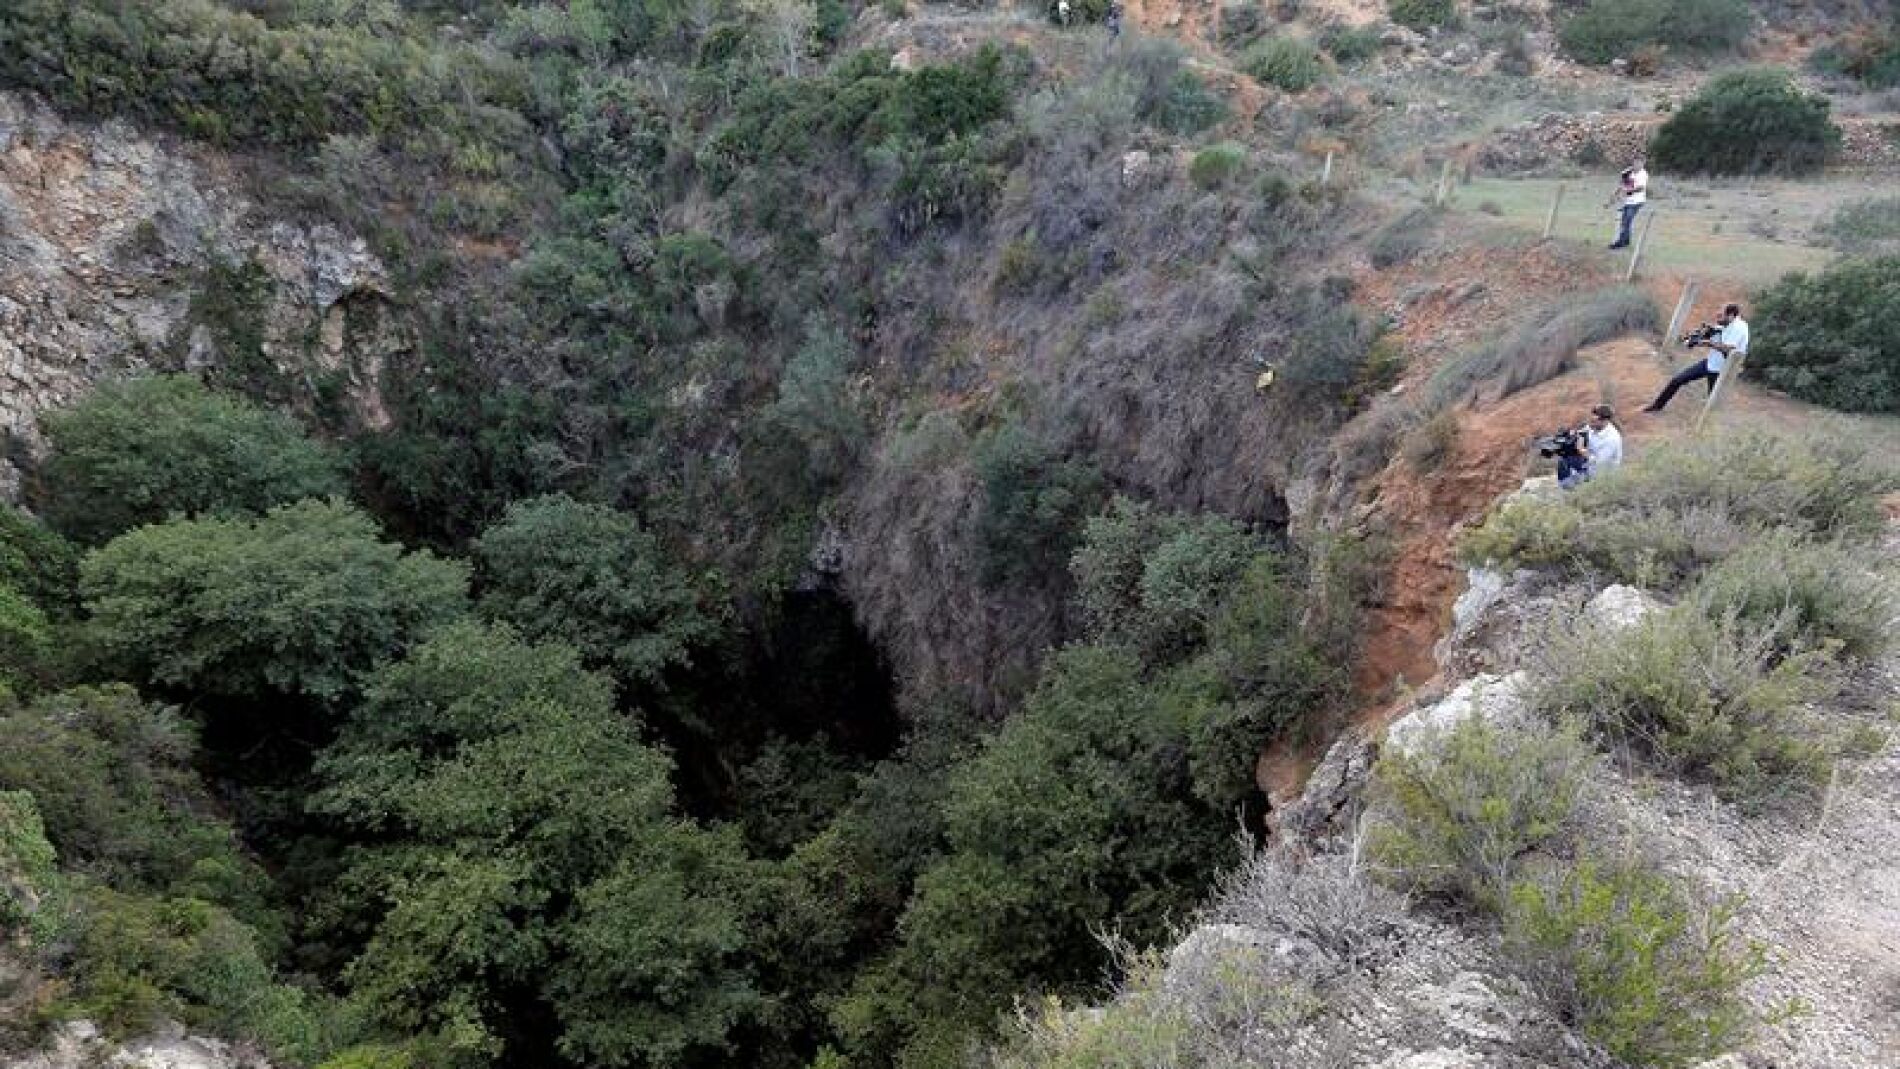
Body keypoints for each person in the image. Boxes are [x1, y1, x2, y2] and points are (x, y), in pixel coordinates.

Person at [1642, 302, 1749, 413]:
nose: (1717, 317)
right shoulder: (1727, 324)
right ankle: (1656, 406)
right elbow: (1715, 332)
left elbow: (1729, 349)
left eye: (1720, 315)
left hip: (1723, 370)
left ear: (1731, 315)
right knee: (1677, 380)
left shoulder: (1739, 328)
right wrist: (1698, 336)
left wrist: (1706, 342)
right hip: (1711, 363)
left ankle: (1710, 426)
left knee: (1713, 404)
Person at [1558, 404, 1623, 488]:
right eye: (1591, 419)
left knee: (1574, 476)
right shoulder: (1593, 426)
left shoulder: (1612, 439)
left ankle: (1573, 489)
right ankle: (1565, 487)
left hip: (1602, 474)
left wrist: (1581, 450)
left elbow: (1599, 463)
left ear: (1605, 420)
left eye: (1594, 421)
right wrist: (1574, 434)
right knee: (1563, 460)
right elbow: (1582, 432)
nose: (1591, 423)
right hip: (1588, 464)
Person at [1607, 154, 1647, 250]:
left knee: (1626, 220)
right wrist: (1614, 196)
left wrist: (1628, 191)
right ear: (1633, 162)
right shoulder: (1627, 172)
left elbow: (1641, 188)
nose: (1637, 164)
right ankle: (1626, 241)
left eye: (1640, 163)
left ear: (1643, 163)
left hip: (1637, 201)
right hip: (1627, 201)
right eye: (1635, 162)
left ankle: (1620, 242)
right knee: (1625, 221)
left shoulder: (1643, 174)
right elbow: (1621, 185)